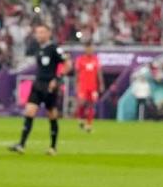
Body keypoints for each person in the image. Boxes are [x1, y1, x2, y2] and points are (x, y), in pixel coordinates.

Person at [9, 24, 69, 155]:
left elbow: (68, 63)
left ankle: (53, 147)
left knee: (52, 115)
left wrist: (58, 79)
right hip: (37, 84)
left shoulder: (54, 49)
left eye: (42, 32)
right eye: (37, 32)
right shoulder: (37, 48)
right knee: (29, 112)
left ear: (48, 33)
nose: (39, 35)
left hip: (50, 86)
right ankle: (21, 144)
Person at [75, 42, 104, 133]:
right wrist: (77, 85)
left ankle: (89, 124)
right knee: (82, 103)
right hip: (83, 85)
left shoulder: (96, 59)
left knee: (91, 104)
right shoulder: (80, 59)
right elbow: (77, 73)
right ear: (85, 49)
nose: (90, 50)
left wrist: (101, 84)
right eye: (88, 48)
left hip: (93, 86)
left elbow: (99, 72)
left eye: (91, 49)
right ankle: (80, 118)